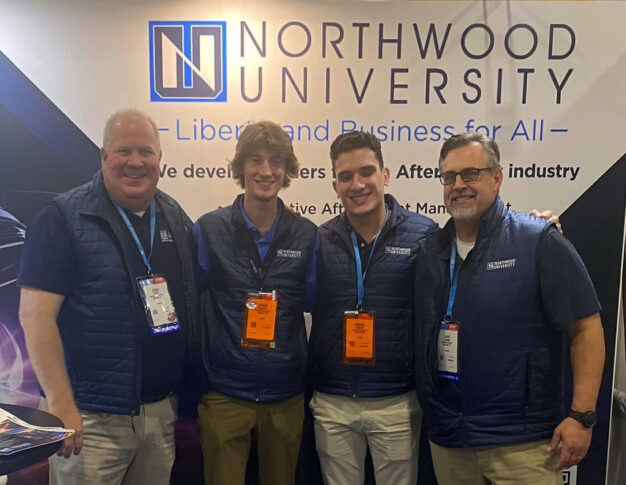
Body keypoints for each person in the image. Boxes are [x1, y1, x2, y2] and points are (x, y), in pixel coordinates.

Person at [18, 109, 199, 485]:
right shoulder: (63, 217)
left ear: (160, 159)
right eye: (123, 151)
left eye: (146, 152)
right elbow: (36, 317)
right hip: (90, 420)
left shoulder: (175, 216)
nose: (135, 162)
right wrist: (62, 405)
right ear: (103, 156)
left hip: (160, 413)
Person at [413, 131, 605, 485]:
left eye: (471, 174)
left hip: (524, 445)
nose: (459, 185)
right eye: (449, 177)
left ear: (497, 177)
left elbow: (586, 327)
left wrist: (581, 417)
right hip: (450, 442)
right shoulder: (429, 253)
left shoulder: (538, 241)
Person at [308, 131, 438, 485]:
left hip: (395, 401)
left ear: (385, 174)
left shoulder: (424, 235)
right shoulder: (317, 240)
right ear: (335, 185)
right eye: (346, 176)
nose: (357, 184)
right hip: (333, 400)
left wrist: (538, 226)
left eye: (367, 172)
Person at [194, 121, 318, 485]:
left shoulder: (307, 234)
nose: (266, 171)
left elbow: (312, 302)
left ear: (288, 169)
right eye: (255, 160)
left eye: (276, 161)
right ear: (240, 167)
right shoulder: (208, 229)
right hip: (224, 394)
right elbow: (194, 304)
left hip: (285, 395)